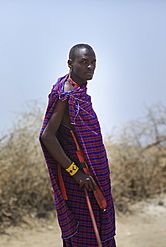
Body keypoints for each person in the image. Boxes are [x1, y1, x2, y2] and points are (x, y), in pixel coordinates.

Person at [39, 44, 116, 246]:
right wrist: (76, 172)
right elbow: (47, 137)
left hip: (94, 174)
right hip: (80, 180)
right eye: (84, 62)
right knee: (87, 237)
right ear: (70, 64)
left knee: (100, 230)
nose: (90, 66)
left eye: (93, 62)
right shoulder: (66, 95)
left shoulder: (76, 89)